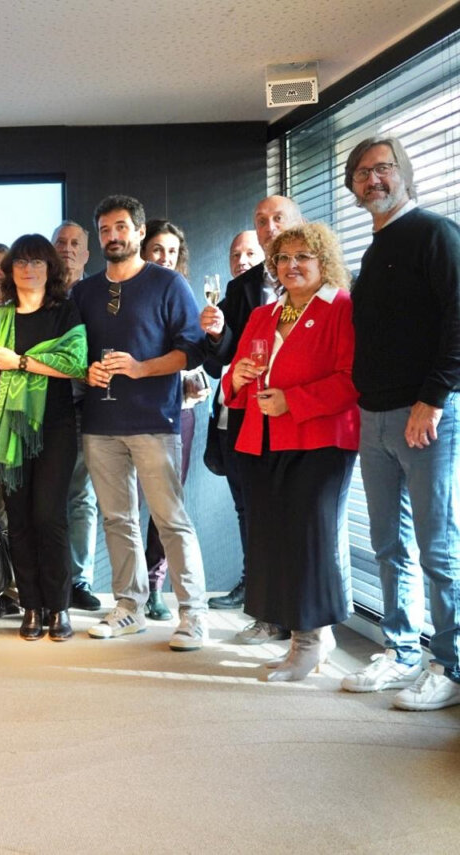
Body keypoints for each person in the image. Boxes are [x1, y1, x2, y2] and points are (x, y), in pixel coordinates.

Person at [342, 135, 460, 710]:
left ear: (404, 172)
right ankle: (403, 652)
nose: (373, 180)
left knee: (438, 547)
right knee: (389, 544)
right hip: (374, 414)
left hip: (424, 415)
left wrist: (433, 399)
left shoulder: (435, 233)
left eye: (382, 168)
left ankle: (452, 666)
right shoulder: (374, 247)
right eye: (362, 173)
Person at [225, 223, 358, 681]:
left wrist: (293, 402)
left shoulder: (342, 308)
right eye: (283, 258)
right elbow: (232, 381)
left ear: (324, 261)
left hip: (320, 439)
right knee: (275, 541)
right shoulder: (265, 314)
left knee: (309, 540)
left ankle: (312, 641)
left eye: (303, 256)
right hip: (262, 439)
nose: (292, 265)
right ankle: (298, 638)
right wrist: (237, 378)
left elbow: (351, 378)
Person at [75, 195, 209, 650]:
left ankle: (193, 616)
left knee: (170, 520)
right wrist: (85, 370)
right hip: (99, 422)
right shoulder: (85, 291)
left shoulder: (168, 284)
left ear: (137, 232)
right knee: (117, 519)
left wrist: (140, 368)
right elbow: (75, 353)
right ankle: (128, 608)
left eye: (120, 227)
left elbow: (190, 349)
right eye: (105, 230)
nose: (113, 236)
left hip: (154, 419)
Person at [200, 196, 304, 636]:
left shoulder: (319, 283)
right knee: (255, 515)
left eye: (278, 218)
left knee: (300, 518)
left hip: (303, 419)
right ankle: (265, 610)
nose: (269, 226)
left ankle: (303, 616)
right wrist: (220, 334)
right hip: (249, 420)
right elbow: (219, 361)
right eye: (261, 220)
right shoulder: (241, 290)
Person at [0, 234, 87, 640]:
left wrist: (22, 361)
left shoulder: (65, 312)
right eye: (21, 263)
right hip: (8, 433)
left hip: (55, 429)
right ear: (10, 271)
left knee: (49, 517)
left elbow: (75, 365)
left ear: (50, 268)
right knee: (19, 521)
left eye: (37, 262)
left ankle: (59, 607)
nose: (28, 269)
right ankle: (31, 606)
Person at [138, 219, 210, 621]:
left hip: (176, 412)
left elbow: (198, 356)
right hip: (130, 413)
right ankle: (129, 587)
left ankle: (154, 587)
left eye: (170, 251)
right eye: (156, 250)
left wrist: (196, 381)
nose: (164, 257)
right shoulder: (127, 293)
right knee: (127, 506)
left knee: (167, 508)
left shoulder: (185, 295)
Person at [52, 220, 102, 612]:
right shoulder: (39, 293)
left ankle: (79, 580)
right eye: (61, 243)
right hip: (44, 410)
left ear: (87, 253)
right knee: (45, 498)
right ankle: (49, 579)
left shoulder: (99, 294)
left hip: (88, 408)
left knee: (81, 498)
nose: (67, 249)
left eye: (75, 244)